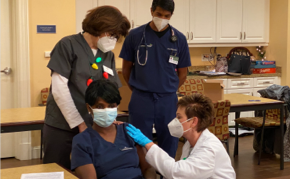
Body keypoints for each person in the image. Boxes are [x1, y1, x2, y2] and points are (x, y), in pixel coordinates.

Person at [43, 6, 131, 169]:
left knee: (90, 169)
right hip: (62, 124)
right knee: (56, 169)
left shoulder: (107, 54)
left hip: (94, 124)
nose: (113, 39)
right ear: (101, 27)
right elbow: (59, 89)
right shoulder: (67, 45)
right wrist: (80, 123)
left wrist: (112, 117)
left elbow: (110, 91)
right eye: (112, 34)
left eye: (116, 36)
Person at [119, 0, 191, 160]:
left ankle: (166, 174)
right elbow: (126, 69)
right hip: (141, 97)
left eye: (166, 16)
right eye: (159, 14)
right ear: (151, 11)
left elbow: (183, 74)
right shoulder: (135, 36)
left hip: (168, 99)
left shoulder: (178, 39)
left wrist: (169, 89)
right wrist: (138, 89)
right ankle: (142, 174)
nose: (162, 18)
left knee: (169, 139)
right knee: (138, 139)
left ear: (171, 15)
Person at [126, 94, 236, 179]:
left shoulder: (208, 149)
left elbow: (176, 172)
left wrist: (148, 143)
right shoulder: (191, 142)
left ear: (193, 121)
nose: (175, 121)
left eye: (179, 117)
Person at [71, 79, 155, 179]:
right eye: (100, 106)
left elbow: (148, 168)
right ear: (89, 108)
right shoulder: (82, 142)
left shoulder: (129, 131)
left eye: (111, 106)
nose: (106, 111)